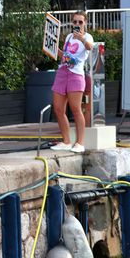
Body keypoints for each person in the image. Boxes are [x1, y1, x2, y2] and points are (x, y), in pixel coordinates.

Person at [50, 11, 93, 154]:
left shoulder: (87, 37)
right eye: (74, 22)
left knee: (76, 108)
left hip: (76, 75)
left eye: (80, 22)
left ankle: (80, 142)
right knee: (58, 108)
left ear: (85, 23)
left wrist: (81, 39)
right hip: (63, 72)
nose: (77, 25)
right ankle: (66, 141)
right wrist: (55, 50)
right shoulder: (68, 36)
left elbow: (89, 47)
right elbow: (65, 57)